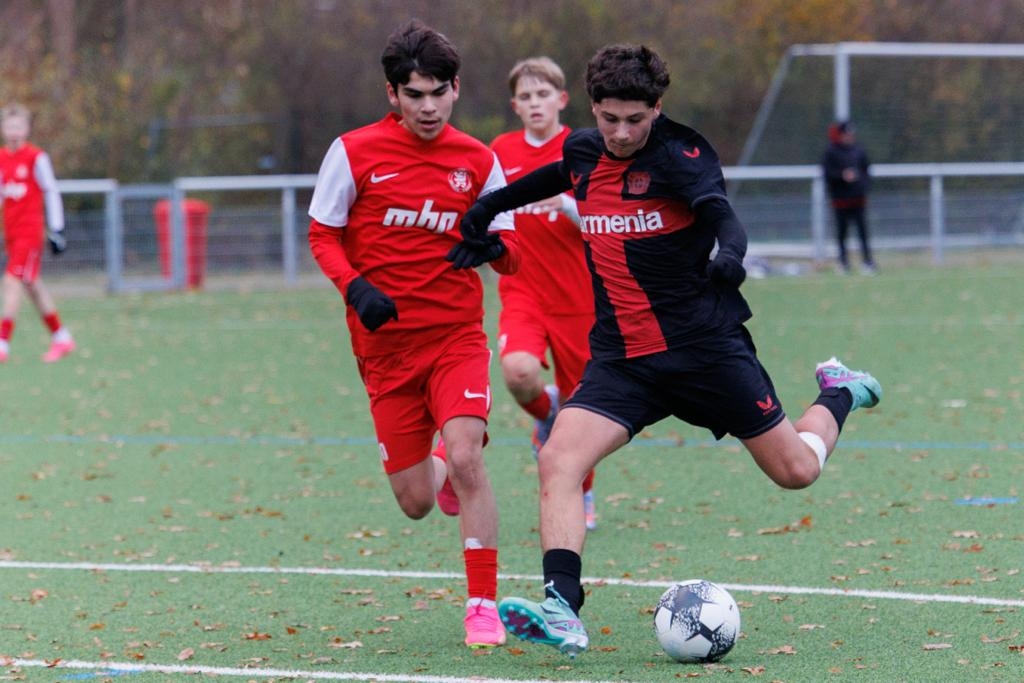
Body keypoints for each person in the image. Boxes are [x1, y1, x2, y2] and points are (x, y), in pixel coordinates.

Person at [453, 44, 882, 657]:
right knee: (558, 460)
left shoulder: (684, 157)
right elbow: (556, 175)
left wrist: (730, 256)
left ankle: (837, 391)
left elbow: (722, 216)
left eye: (636, 119)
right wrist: (489, 207)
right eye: (610, 118)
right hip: (623, 359)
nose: (622, 133)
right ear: (593, 108)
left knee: (796, 471)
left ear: (657, 108)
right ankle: (562, 607)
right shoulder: (583, 151)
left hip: (703, 349)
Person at [307, 20, 520, 649]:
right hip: (384, 350)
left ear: (456, 89)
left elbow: (513, 255)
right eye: (414, 94)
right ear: (393, 94)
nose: (428, 107)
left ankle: (482, 605)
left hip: (456, 338)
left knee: (468, 455)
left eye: (438, 93)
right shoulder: (353, 152)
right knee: (416, 501)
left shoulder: (479, 161)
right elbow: (322, 233)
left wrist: (494, 248)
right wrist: (357, 289)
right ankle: (438, 470)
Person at [490, 57, 598, 530]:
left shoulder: (583, 148)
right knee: (518, 372)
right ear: (515, 106)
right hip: (523, 292)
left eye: (543, 94)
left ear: (562, 99)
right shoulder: (501, 150)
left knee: (583, 411)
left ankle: (583, 493)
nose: (535, 103)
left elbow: (608, 218)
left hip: (580, 299)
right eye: (526, 96)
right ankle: (544, 412)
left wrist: (568, 204)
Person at [0, 102, 74, 363]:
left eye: (18, 126)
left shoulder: (36, 158)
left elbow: (51, 191)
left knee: (12, 281)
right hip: (11, 233)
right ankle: (61, 337)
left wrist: (57, 228)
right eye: (9, 127)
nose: (13, 132)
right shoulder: (1, 158)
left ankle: (2, 342)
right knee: (32, 285)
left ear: (27, 129)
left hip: (30, 233)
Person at [822, 120, 875, 274]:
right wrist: (842, 176)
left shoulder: (858, 150)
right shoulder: (831, 151)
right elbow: (827, 174)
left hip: (858, 199)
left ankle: (867, 262)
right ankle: (843, 263)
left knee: (863, 232)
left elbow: (866, 172)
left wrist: (863, 187)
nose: (849, 137)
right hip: (841, 200)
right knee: (842, 233)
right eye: (846, 134)